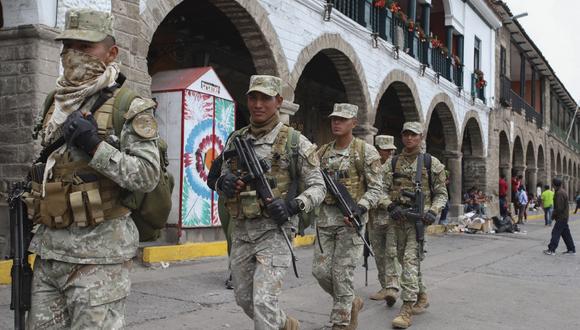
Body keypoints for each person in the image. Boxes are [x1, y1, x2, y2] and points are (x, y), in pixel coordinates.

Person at [24, 9, 161, 328]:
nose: (72, 54)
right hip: (49, 254)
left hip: (100, 259)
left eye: (84, 47)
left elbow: (146, 176)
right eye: (67, 45)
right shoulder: (54, 102)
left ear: (111, 52)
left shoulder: (129, 105)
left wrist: (96, 147)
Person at [216, 75, 326, 330]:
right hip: (242, 230)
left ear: (278, 101)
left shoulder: (295, 142)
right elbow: (220, 177)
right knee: (244, 298)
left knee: (264, 301)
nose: (258, 104)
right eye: (253, 98)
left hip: (276, 231)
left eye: (265, 98)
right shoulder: (236, 139)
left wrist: (293, 205)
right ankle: (285, 325)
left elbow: (318, 187)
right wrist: (227, 183)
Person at [313, 103, 383, 330]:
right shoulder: (322, 152)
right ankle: (352, 301)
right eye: (334, 118)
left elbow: (376, 189)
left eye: (342, 119)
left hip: (350, 221)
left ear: (354, 123)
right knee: (321, 272)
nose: (336, 122)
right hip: (325, 220)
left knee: (342, 274)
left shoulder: (365, 151)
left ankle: (340, 323)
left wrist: (360, 208)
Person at [380, 122, 448, 329]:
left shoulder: (430, 163)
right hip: (396, 220)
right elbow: (378, 189)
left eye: (414, 135)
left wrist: (433, 212)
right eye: (406, 134)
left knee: (409, 261)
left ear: (421, 137)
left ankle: (406, 309)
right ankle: (422, 295)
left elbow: (441, 194)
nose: (409, 138)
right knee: (400, 259)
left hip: (417, 222)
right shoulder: (391, 163)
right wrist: (390, 206)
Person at [368, 135, 401, 305]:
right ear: (378, 150)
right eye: (385, 150)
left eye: (391, 150)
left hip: (391, 217)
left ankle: (392, 287)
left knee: (391, 253)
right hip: (374, 218)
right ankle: (384, 285)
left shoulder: (396, 167)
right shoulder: (370, 167)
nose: (389, 153)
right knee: (379, 254)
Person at [207, 153, 234, 289]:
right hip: (225, 200)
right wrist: (221, 182)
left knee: (233, 235)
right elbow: (211, 179)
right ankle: (235, 270)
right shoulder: (228, 151)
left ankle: (236, 273)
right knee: (230, 238)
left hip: (247, 201)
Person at [544, 178, 575, 255]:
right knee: (566, 234)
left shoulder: (560, 193)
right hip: (563, 217)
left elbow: (559, 208)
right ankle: (571, 249)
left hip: (561, 217)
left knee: (555, 232)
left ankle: (551, 249)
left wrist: (553, 215)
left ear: (554, 185)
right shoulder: (561, 191)